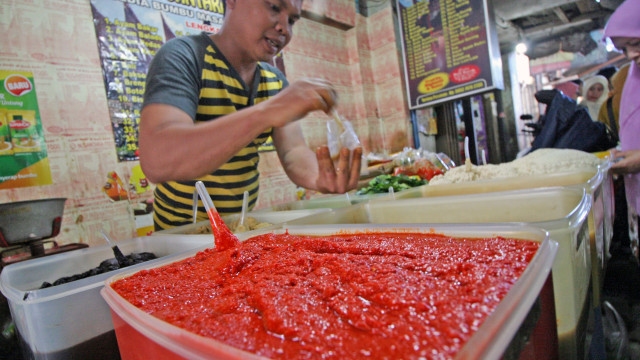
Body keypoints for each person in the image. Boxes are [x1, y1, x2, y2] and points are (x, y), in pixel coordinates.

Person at [139, 0, 362, 230]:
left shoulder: (274, 81)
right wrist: (267, 112)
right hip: (181, 240)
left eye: (292, 20)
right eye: (274, 7)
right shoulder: (184, 57)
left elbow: (293, 151)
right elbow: (158, 160)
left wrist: (321, 176)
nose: (284, 28)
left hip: (240, 230)